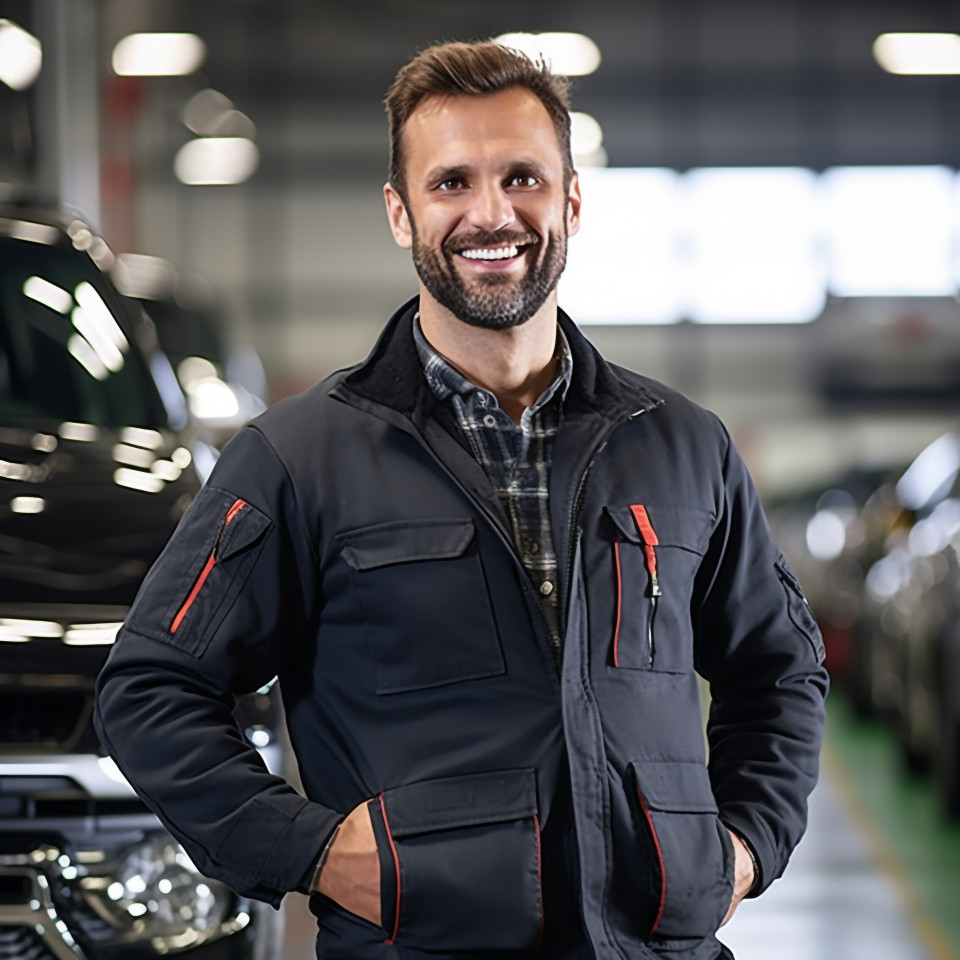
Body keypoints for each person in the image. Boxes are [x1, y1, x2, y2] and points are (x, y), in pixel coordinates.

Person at [95, 39, 829, 960]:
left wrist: (745, 848)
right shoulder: (296, 459)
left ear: (569, 201)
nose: (492, 214)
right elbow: (151, 690)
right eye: (451, 184)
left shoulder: (684, 446)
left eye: (523, 177)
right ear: (401, 214)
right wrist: (308, 851)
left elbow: (780, 670)